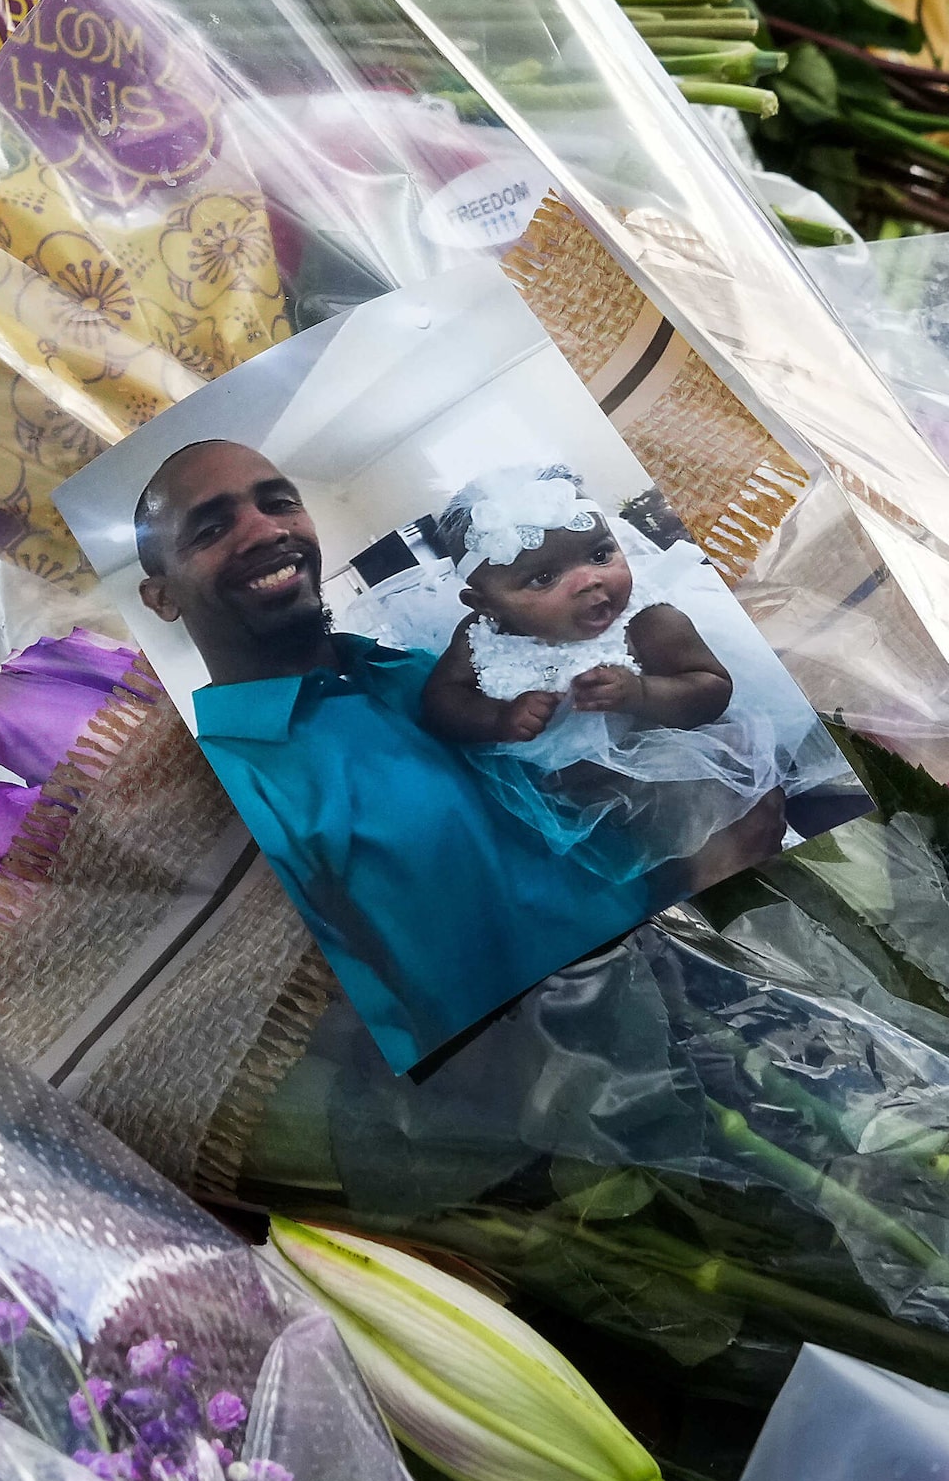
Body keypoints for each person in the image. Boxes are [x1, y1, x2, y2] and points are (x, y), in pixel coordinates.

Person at [133, 439, 652, 1074]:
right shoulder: (231, 794)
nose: (267, 531)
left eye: (280, 504)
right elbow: (372, 1044)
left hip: (701, 963)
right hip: (578, 1091)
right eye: (212, 528)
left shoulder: (427, 669)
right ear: (162, 598)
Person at [415, 464, 789, 888]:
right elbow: (440, 700)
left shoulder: (648, 621)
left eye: (599, 554)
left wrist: (642, 692)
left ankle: (730, 883)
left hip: (669, 768)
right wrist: (496, 718)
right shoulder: (479, 636)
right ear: (485, 605)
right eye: (543, 578)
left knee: (723, 839)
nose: (590, 580)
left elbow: (713, 687)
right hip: (548, 789)